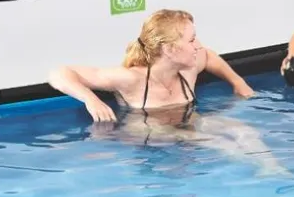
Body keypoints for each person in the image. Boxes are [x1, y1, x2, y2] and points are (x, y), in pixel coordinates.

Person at [47, 8, 255, 123]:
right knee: (210, 139)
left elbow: (208, 56)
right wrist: (91, 100)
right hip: (149, 140)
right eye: (192, 40)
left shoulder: (188, 70)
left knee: (240, 129)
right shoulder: (132, 79)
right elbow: (59, 74)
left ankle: (268, 167)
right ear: (170, 49)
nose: (197, 46)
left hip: (188, 128)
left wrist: (238, 82)